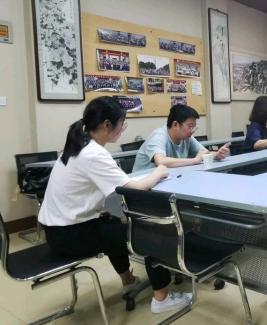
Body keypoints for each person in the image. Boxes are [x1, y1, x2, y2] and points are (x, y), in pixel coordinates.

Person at [38, 97, 191, 315]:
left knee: (112, 222)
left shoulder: (77, 146)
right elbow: (134, 188)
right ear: (107, 124)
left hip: (57, 231)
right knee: (151, 232)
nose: (122, 129)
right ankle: (162, 298)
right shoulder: (94, 154)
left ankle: (128, 280)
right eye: (122, 124)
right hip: (71, 236)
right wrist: (158, 171)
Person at [133, 105, 230, 171]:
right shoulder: (159, 136)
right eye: (190, 126)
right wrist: (195, 160)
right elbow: (161, 161)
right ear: (175, 125)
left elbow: (203, 153)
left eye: (194, 127)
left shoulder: (187, 137)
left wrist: (217, 154)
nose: (193, 131)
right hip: (141, 188)